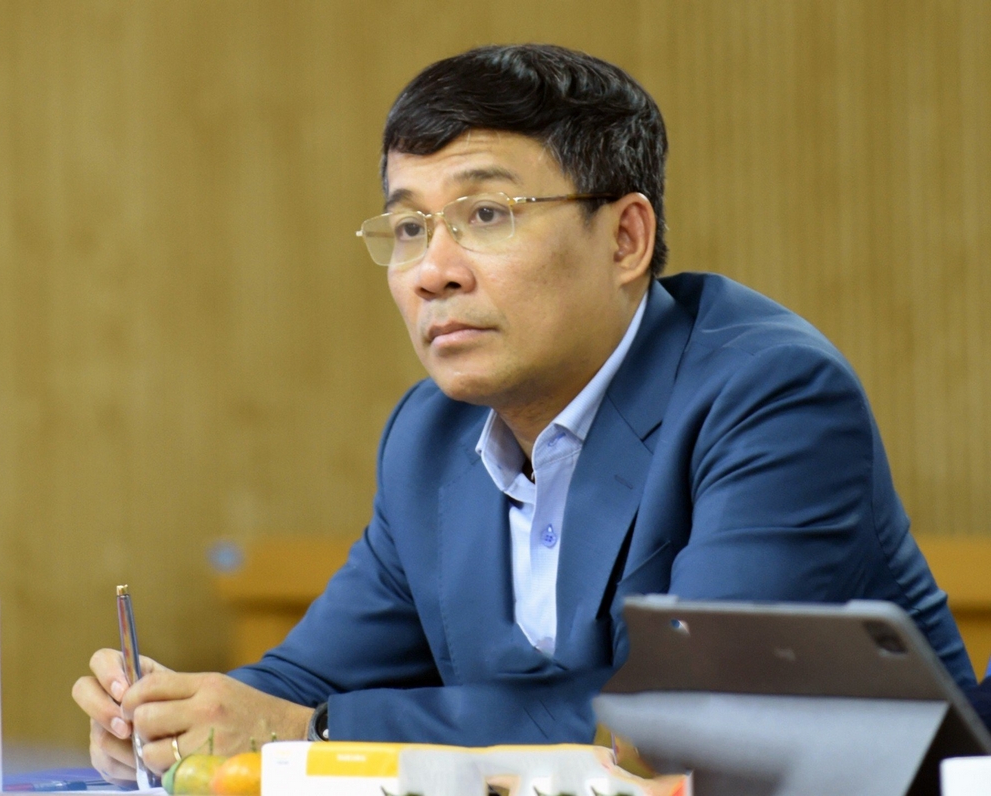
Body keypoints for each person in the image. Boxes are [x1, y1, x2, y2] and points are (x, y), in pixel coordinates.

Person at [72, 44, 975, 783]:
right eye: (410, 228)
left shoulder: (769, 394)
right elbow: (303, 681)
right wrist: (179, 717)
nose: (434, 271)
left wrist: (311, 730)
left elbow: (684, 726)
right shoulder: (430, 437)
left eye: (487, 215)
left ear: (626, 239)